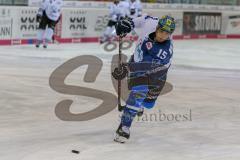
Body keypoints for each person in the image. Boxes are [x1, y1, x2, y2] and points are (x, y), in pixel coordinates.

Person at [112, 15, 176, 143]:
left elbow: (146, 66)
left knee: (148, 103)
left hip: (157, 74)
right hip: (137, 65)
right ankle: (124, 127)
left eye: (167, 33)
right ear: (157, 27)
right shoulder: (150, 22)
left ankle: (139, 105)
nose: (163, 35)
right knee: (138, 94)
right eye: (161, 31)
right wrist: (127, 24)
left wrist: (124, 69)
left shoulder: (165, 51)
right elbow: (138, 21)